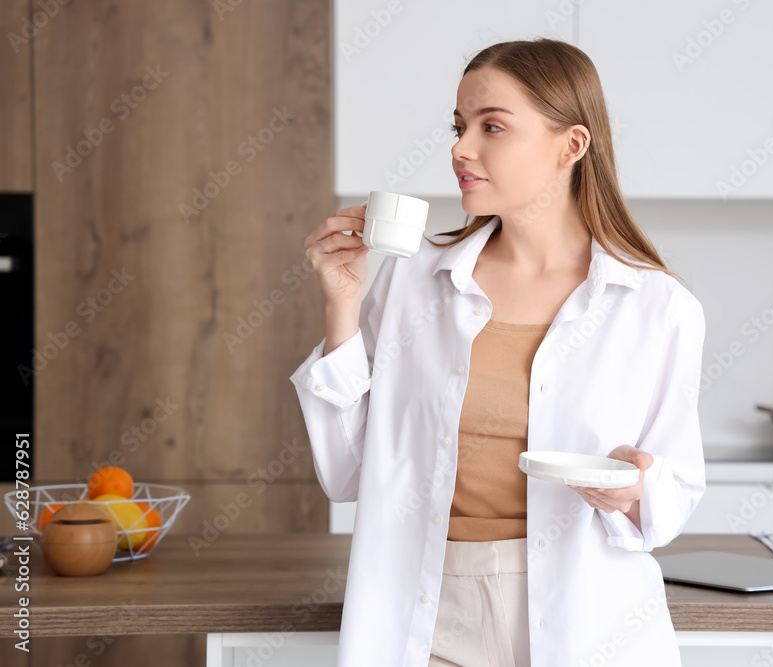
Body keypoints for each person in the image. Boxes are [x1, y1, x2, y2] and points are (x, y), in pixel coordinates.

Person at [290, 38, 706, 667]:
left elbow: (671, 498)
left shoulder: (655, 307)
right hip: (423, 611)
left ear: (571, 145)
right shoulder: (413, 279)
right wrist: (342, 307)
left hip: (585, 621)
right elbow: (347, 474)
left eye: (492, 127)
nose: (461, 148)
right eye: (460, 127)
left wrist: (633, 488)